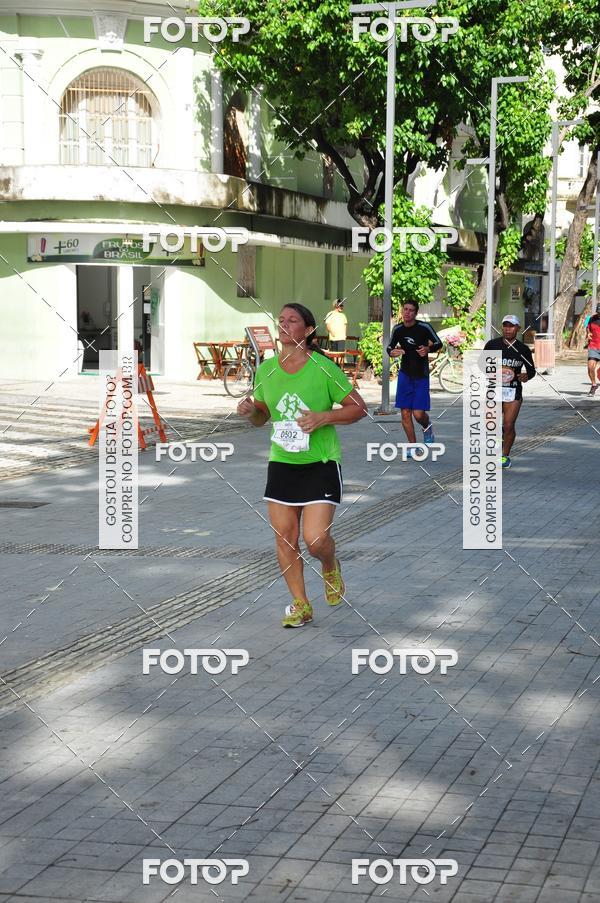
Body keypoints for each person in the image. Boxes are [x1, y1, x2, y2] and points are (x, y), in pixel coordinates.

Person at [237, 303, 367, 628]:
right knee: (284, 537)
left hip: (320, 463)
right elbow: (262, 417)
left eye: (292, 321)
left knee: (315, 540)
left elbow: (358, 408)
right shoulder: (267, 369)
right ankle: (301, 604)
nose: (284, 325)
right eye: (281, 320)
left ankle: (329, 563)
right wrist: (251, 412)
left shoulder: (324, 368)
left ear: (308, 330)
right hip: (282, 462)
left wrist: (324, 417)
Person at [386, 301, 443, 450]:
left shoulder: (424, 327)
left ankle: (427, 426)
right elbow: (390, 346)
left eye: (411, 310)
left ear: (416, 313)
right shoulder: (398, 329)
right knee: (405, 412)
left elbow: (438, 343)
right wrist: (391, 352)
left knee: (418, 414)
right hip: (405, 375)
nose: (407, 312)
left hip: (421, 375)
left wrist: (428, 349)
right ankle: (413, 446)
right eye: (405, 309)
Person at [484, 314, 536, 469]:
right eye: (505, 326)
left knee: (508, 424)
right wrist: (495, 371)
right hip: (494, 389)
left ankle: (505, 456)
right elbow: (483, 365)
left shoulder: (523, 349)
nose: (507, 329)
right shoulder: (492, 345)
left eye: (511, 326)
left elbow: (531, 371)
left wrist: (526, 376)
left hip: (513, 390)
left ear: (518, 328)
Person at [586, 305, 600, 395]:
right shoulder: (592, 319)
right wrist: (588, 333)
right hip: (594, 346)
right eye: (598, 312)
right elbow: (588, 328)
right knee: (590, 366)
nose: (599, 314)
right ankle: (594, 385)